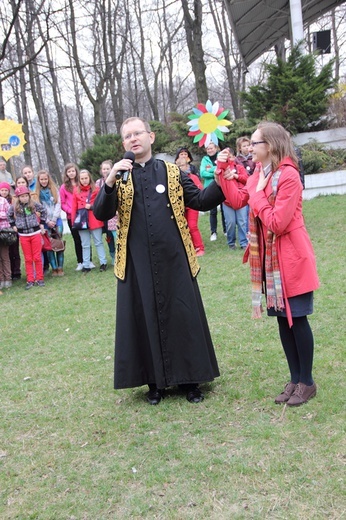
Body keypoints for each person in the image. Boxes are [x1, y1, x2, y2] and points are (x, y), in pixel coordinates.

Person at [93, 116, 225, 405]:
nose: (133, 139)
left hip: (174, 257)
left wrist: (220, 180)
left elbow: (200, 201)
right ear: (123, 143)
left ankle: (190, 380)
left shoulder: (172, 171)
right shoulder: (119, 177)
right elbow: (101, 214)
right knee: (144, 317)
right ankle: (154, 383)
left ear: (151, 137)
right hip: (136, 261)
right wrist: (110, 180)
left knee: (182, 315)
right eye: (127, 136)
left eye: (138, 133)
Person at [217, 121, 319, 407]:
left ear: (270, 146)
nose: (249, 148)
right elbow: (238, 200)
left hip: (291, 258)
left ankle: (307, 382)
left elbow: (277, 221)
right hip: (271, 262)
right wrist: (223, 174)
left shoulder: (288, 176)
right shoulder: (261, 172)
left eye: (255, 143)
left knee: (296, 320)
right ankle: (295, 378)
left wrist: (258, 193)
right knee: (282, 322)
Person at [8, 186, 47, 290]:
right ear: (18, 197)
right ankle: (30, 280)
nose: (24, 198)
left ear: (28, 196)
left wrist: (42, 223)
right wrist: (13, 226)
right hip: (23, 235)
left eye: (26, 196)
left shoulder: (33, 204)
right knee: (28, 258)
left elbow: (43, 211)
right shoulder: (14, 207)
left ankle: (40, 278)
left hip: (35, 233)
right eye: (22, 196)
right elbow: (9, 215)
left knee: (37, 257)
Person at [71, 169, 107, 273]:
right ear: (79, 179)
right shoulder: (76, 190)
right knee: (85, 244)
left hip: (94, 219)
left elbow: (101, 203)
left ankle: (103, 262)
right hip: (82, 220)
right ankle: (86, 265)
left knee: (98, 242)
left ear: (89, 178)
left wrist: (91, 206)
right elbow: (74, 207)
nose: (84, 180)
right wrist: (74, 222)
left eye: (86, 178)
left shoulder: (96, 189)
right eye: (82, 179)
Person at [175, 147, 205, 256]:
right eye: (178, 166)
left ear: (187, 166)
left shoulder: (192, 177)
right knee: (183, 227)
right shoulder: (172, 178)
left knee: (192, 226)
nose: (181, 168)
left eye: (183, 166)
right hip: (180, 207)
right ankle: (189, 247)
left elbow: (200, 190)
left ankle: (200, 248)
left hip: (192, 206)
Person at [219, 147, 249, 250]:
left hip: (240, 199)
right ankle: (231, 243)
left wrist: (235, 176)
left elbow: (246, 179)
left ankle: (244, 243)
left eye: (230, 157)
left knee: (242, 221)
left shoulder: (239, 167)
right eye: (226, 158)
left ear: (234, 157)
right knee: (230, 222)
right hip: (227, 201)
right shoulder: (221, 169)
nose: (229, 160)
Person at [36, 170, 65, 276]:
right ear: (39, 180)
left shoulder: (54, 190)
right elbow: (39, 208)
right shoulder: (37, 193)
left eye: (45, 179)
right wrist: (47, 221)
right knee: (49, 246)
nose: (44, 181)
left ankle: (60, 267)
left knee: (58, 243)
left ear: (48, 179)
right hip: (45, 222)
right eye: (41, 179)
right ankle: (54, 268)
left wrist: (53, 219)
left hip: (57, 221)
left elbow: (58, 204)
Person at [200, 142, 226, 241]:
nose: (209, 150)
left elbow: (223, 169)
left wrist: (211, 170)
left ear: (216, 148)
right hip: (210, 188)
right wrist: (215, 171)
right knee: (213, 211)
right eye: (208, 149)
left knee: (224, 210)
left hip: (222, 186)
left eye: (211, 148)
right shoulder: (204, 159)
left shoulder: (221, 157)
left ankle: (225, 230)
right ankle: (213, 232)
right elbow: (203, 173)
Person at [96, 160, 118, 265]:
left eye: (107, 168)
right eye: (103, 169)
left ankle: (119, 256)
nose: (105, 171)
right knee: (108, 238)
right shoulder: (98, 183)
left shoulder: (117, 179)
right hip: (104, 215)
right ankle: (112, 254)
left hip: (115, 215)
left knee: (116, 236)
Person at [235, 136, 256, 234]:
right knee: (244, 214)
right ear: (239, 148)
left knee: (253, 210)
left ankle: (252, 231)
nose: (247, 148)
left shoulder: (254, 157)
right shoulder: (237, 160)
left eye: (248, 145)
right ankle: (245, 234)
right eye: (244, 146)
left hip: (254, 186)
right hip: (243, 187)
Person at [0, 187, 12, 289]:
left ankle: (8, 278)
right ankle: (1, 279)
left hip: (4, 232)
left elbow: (9, 213)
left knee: (5, 256)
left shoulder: (3, 200)